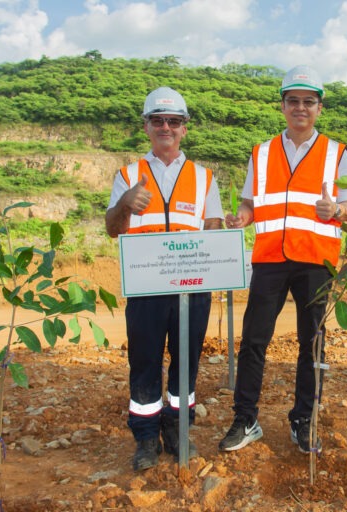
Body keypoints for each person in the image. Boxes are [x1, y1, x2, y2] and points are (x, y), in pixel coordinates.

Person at [218, 65, 347, 454]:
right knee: (254, 341)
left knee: (311, 343)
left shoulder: (336, 153)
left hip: (316, 260)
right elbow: (251, 202)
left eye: (308, 102)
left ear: (319, 107)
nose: (301, 108)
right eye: (293, 101)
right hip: (269, 258)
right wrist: (242, 216)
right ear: (282, 105)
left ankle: (303, 420)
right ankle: (245, 418)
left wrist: (339, 211)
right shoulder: (262, 152)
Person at [106, 86, 223, 471]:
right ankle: (145, 438)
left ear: (185, 128)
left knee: (185, 364)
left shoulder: (204, 178)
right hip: (146, 290)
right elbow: (112, 229)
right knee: (144, 361)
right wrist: (125, 204)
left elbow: (213, 228)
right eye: (158, 120)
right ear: (146, 126)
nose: (166, 127)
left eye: (174, 121)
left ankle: (177, 431)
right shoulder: (127, 176)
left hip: (193, 290)